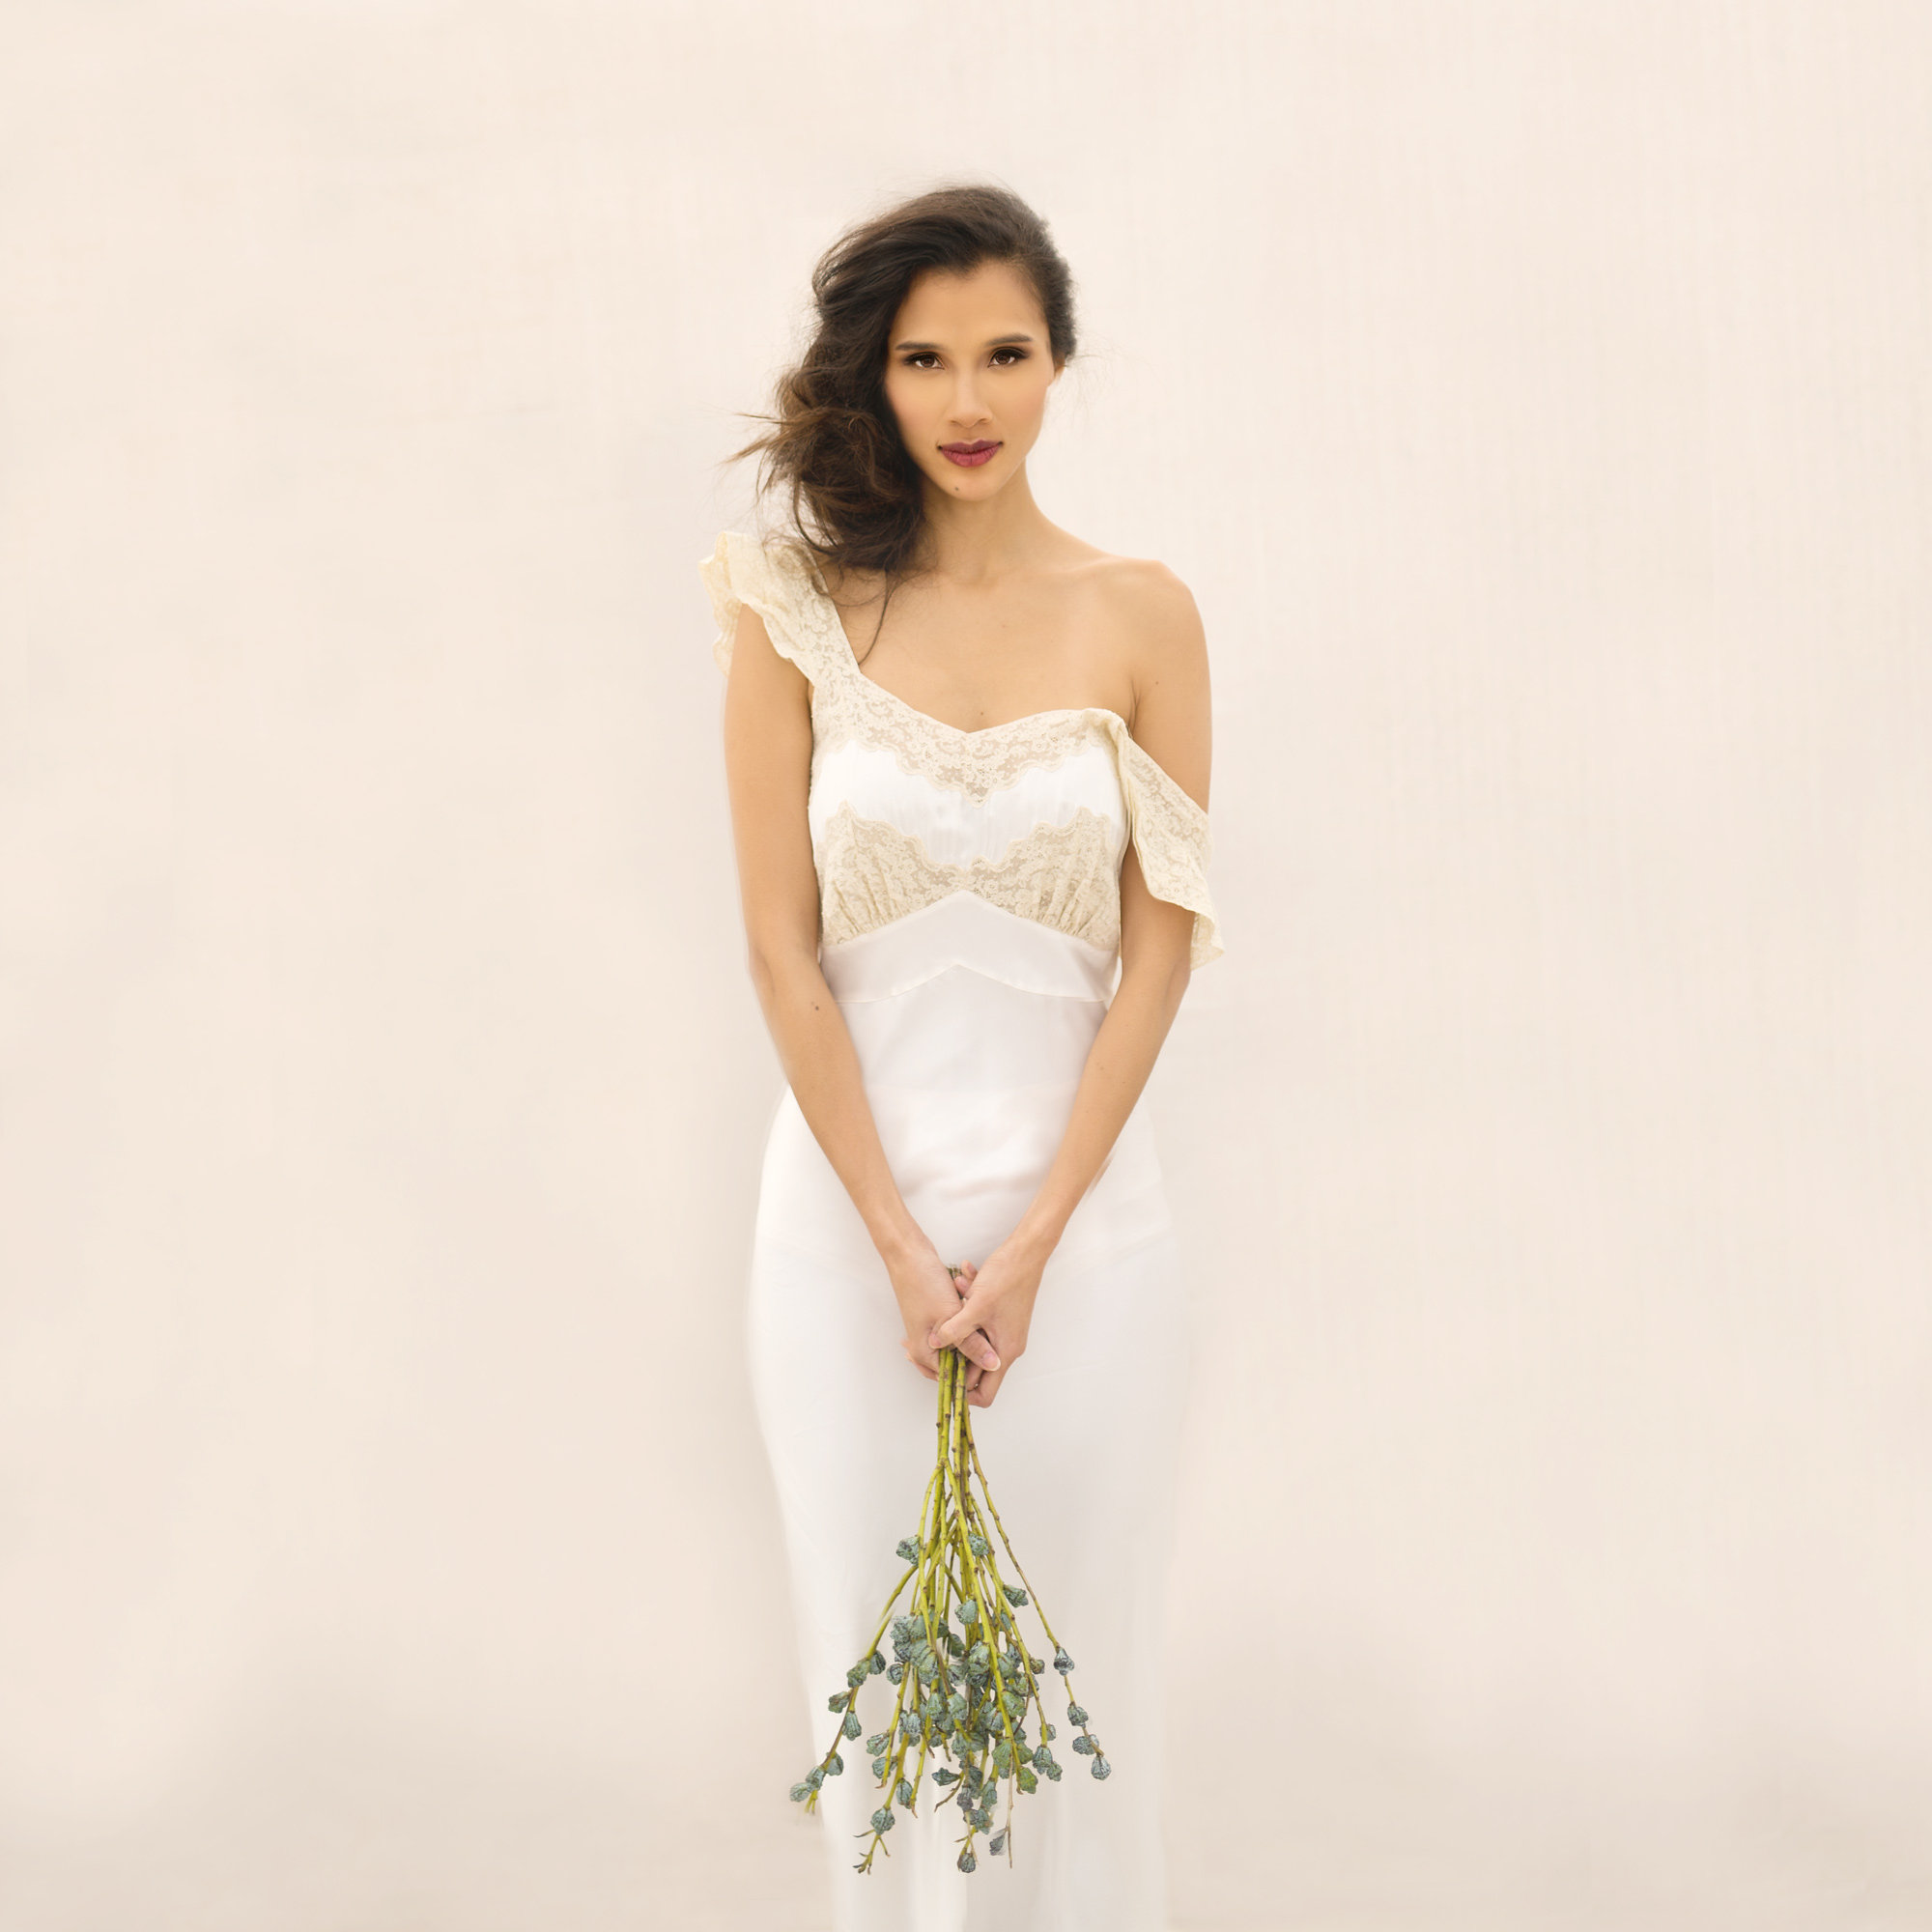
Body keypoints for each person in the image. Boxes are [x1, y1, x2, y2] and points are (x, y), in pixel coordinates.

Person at [700, 182, 1223, 1932]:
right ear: (876, 377)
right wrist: (900, 1246)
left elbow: (1161, 945)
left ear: (1060, 359)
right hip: (843, 1240)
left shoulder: (1145, 615)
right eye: (924, 360)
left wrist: (1039, 1235)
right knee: (876, 1702)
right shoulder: (794, 610)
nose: (967, 398)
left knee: (1089, 1687)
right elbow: (780, 949)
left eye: (1004, 353)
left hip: (1091, 1241)